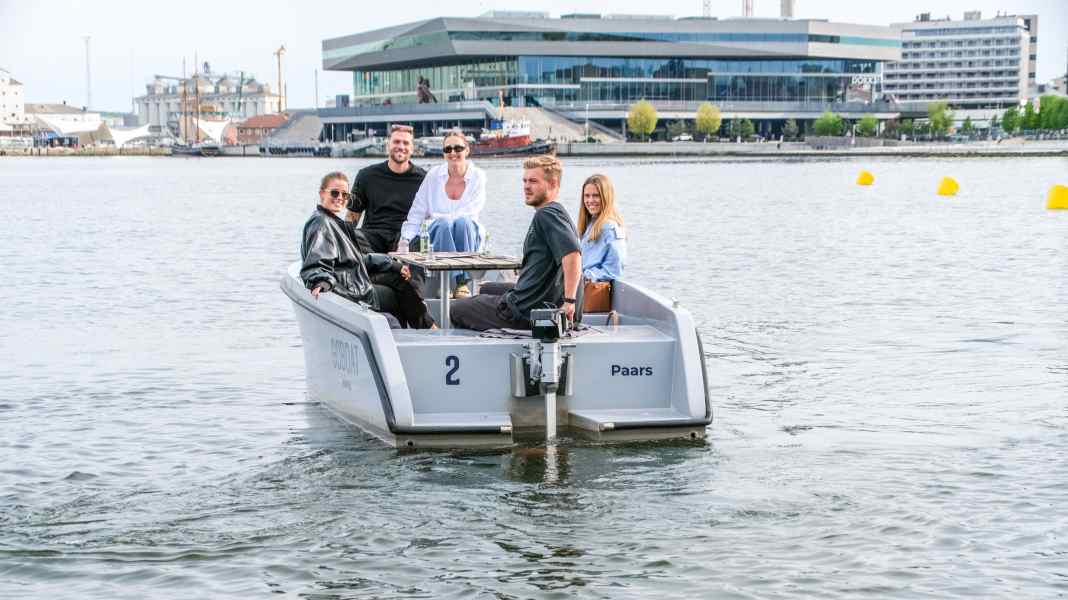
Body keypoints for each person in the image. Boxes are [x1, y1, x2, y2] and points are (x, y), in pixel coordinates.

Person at [450, 155, 581, 331]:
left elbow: (573, 255)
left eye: (533, 181)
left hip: (525, 312)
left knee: (456, 308)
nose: (526, 186)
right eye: (525, 181)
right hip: (537, 298)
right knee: (485, 288)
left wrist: (569, 302)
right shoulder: (558, 212)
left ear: (552, 184)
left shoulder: (547, 215)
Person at [302, 171, 436, 330]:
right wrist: (320, 280)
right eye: (335, 193)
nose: (340, 198)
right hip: (347, 287)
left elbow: (357, 258)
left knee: (397, 278)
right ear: (322, 193)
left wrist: (393, 264)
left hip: (351, 278)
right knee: (399, 291)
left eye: (345, 195)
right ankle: (426, 329)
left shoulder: (333, 222)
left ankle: (416, 328)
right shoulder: (321, 224)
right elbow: (317, 260)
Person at [399, 130, 486, 297]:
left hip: (467, 235)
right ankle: (457, 281)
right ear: (444, 153)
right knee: (443, 224)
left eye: (458, 148)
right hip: (438, 233)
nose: (453, 153)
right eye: (448, 149)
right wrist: (405, 239)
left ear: (467, 150)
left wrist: (441, 219)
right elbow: (417, 211)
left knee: (463, 223)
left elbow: (471, 213)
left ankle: (457, 283)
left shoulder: (478, 176)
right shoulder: (433, 175)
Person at [346, 124, 426, 255]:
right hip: (372, 237)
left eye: (406, 143)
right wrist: (343, 238)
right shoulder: (366, 175)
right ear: (388, 145)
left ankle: (393, 263)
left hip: (405, 237)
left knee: (421, 240)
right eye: (396, 142)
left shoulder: (424, 179)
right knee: (352, 237)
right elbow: (352, 216)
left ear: (412, 148)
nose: (401, 146)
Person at [577, 174, 627, 282]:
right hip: (581, 285)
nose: (590, 200)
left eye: (596, 195)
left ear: (606, 197)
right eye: (587, 196)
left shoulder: (610, 227)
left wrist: (587, 276)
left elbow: (615, 269)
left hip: (592, 287)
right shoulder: (590, 223)